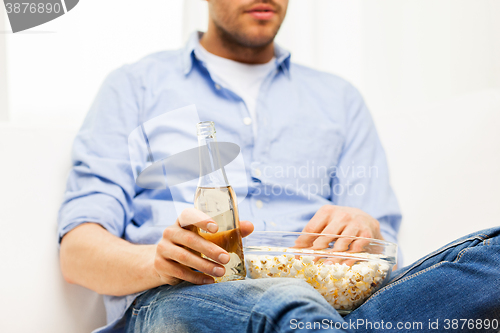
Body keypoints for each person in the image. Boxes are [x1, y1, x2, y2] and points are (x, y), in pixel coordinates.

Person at [58, 0, 500, 332]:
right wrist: (160, 264)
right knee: (287, 301)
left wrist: (365, 225)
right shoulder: (135, 86)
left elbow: (386, 256)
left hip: (338, 300)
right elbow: (77, 253)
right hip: (183, 297)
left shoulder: (339, 98)